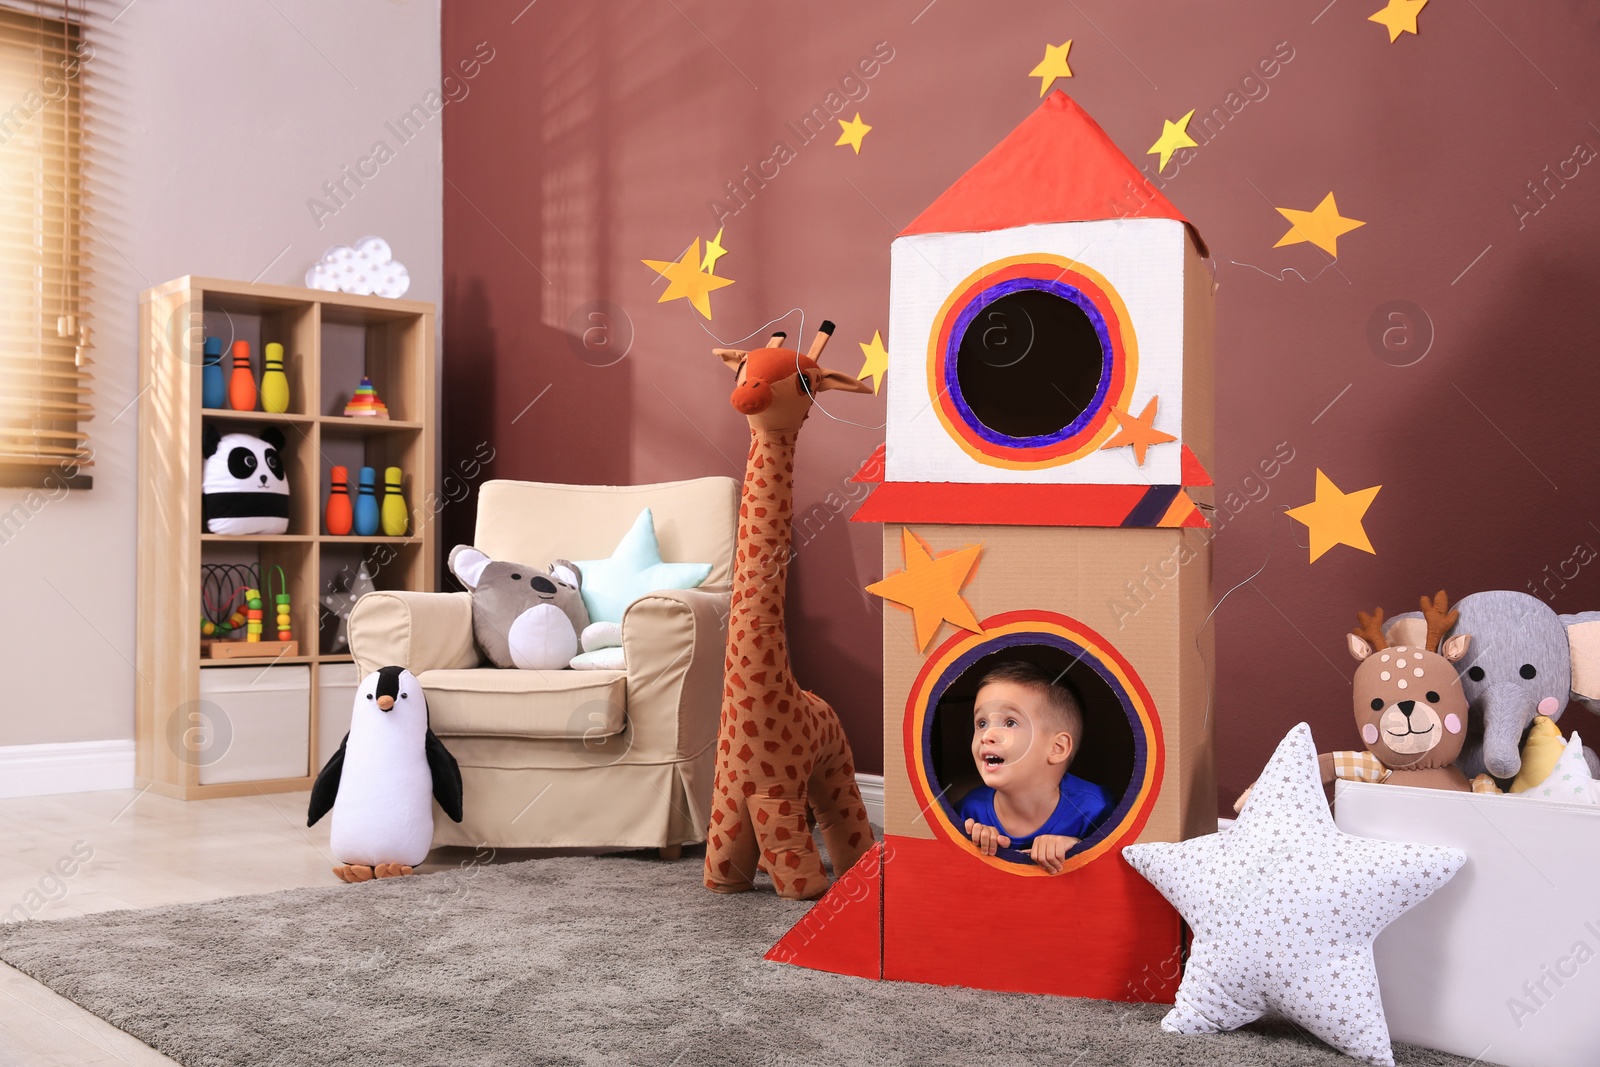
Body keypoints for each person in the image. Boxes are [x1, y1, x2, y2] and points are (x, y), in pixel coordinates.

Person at [958, 660, 1112, 874]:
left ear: (1057, 748)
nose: (987, 736)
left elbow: (1114, 867)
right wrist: (974, 841)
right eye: (981, 723)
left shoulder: (1095, 809)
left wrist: (1077, 847)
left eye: (1010, 722)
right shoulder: (970, 810)